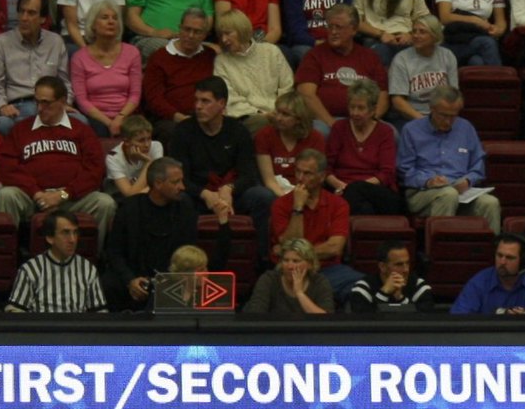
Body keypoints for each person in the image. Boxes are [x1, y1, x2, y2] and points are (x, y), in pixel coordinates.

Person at [0, 76, 118, 239]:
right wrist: (36, 193)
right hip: (31, 198)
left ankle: (92, 260)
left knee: (105, 203)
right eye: (37, 102)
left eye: (46, 103)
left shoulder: (81, 130)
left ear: (62, 101)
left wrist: (63, 194)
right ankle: (9, 258)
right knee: (6, 195)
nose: (39, 108)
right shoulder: (21, 129)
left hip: (71, 199)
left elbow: (94, 170)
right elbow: (7, 167)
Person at [103, 155, 232, 308]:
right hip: (135, 277)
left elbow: (188, 253)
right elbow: (114, 252)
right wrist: (130, 280)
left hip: (174, 280)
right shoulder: (130, 209)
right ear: (158, 184)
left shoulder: (185, 209)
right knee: (109, 283)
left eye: (182, 181)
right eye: (175, 182)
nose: (182, 187)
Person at [168, 76, 277, 250]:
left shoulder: (238, 130)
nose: (198, 106)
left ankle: (262, 260)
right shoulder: (183, 132)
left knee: (263, 197)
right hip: (197, 195)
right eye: (196, 100)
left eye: (205, 101)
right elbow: (180, 178)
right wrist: (205, 194)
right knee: (179, 199)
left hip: (231, 195)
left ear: (221, 103)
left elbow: (248, 174)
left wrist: (229, 189)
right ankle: (184, 259)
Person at [399, 85, 501, 230]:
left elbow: (478, 165)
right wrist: (428, 181)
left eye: (453, 116)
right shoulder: (411, 130)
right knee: (448, 194)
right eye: (443, 115)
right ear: (432, 108)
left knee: (490, 203)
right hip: (423, 193)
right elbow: (405, 171)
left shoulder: (466, 128)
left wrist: (468, 180)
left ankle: (492, 252)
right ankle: (440, 251)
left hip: (461, 192)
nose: (448, 121)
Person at [270, 149, 361, 299]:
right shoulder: (281, 204)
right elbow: (291, 247)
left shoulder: (338, 204)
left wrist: (296, 254)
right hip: (290, 270)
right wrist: (298, 208)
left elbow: (334, 247)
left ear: (321, 176)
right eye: (298, 172)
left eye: (307, 174)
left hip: (328, 270)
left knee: (361, 287)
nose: (300, 178)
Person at [0, 0, 72, 130]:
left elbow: (64, 82)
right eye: (21, 12)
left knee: (80, 121)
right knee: (2, 125)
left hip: (51, 105)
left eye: (31, 13)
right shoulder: (0, 43)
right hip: (17, 107)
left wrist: (65, 103)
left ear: (43, 18)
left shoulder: (55, 42)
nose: (24, 18)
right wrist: (2, 106)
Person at [296, 3, 387, 128]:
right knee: (320, 131)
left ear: (354, 29)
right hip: (325, 120)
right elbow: (306, 94)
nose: (333, 32)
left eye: (339, 27)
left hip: (365, 120)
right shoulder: (314, 55)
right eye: (330, 27)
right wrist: (331, 123)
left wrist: (372, 120)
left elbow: (383, 94)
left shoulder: (370, 57)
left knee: (393, 133)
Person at [324, 77, 402, 214]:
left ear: (372, 110)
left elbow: (386, 174)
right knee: (364, 208)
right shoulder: (339, 128)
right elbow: (327, 168)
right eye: (352, 107)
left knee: (356, 195)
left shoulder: (385, 132)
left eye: (360, 108)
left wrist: (355, 187)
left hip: (376, 190)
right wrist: (342, 186)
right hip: (341, 187)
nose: (355, 113)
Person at [6, 210, 107, 312]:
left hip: (76, 327)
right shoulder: (30, 270)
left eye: (75, 232)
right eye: (65, 233)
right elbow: (15, 312)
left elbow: (100, 314)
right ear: (50, 238)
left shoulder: (88, 270)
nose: (73, 240)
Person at [142, 6, 220, 135]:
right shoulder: (159, 57)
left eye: (197, 32)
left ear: (205, 35)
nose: (190, 35)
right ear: (179, 28)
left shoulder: (209, 56)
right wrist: (178, 117)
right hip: (170, 119)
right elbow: (154, 99)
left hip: (205, 116)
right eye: (187, 29)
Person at [213, 11, 296, 130]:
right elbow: (231, 100)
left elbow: (287, 86)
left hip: (280, 112)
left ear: (242, 30)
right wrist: (262, 114)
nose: (224, 39)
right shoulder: (222, 62)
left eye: (228, 33)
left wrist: (280, 112)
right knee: (263, 123)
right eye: (221, 35)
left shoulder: (271, 51)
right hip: (247, 117)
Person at [73, 5, 145, 137]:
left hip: (126, 114)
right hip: (95, 116)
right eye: (105, 18)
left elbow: (135, 95)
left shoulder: (132, 53)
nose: (111, 21)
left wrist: (119, 118)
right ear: (93, 25)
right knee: (96, 131)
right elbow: (81, 100)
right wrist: (108, 122)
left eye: (115, 18)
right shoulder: (79, 57)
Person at [451, 232, 525, 314]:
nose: (502, 262)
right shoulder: (479, 282)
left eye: (510, 258)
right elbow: (459, 318)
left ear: (523, 262)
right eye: (499, 255)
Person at [387, 15, 460, 128]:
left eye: (422, 32)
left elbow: (454, 94)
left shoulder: (447, 56)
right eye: (414, 31)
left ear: (435, 35)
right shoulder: (401, 59)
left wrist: (443, 117)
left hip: (442, 116)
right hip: (411, 118)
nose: (416, 35)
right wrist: (423, 120)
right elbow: (398, 101)